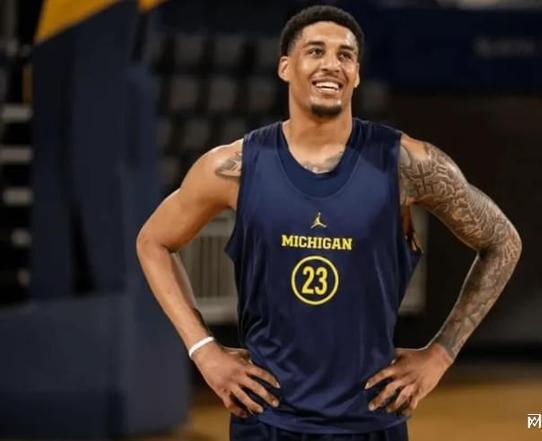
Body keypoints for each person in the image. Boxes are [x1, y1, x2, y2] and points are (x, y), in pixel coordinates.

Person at [136, 5, 522, 440]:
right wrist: (204, 350)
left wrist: (441, 355)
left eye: (345, 55)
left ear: (356, 74)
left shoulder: (406, 163)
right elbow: (153, 242)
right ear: (286, 67)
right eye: (316, 51)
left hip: (371, 419)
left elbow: (503, 242)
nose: (332, 65)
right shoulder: (234, 168)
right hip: (266, 421)